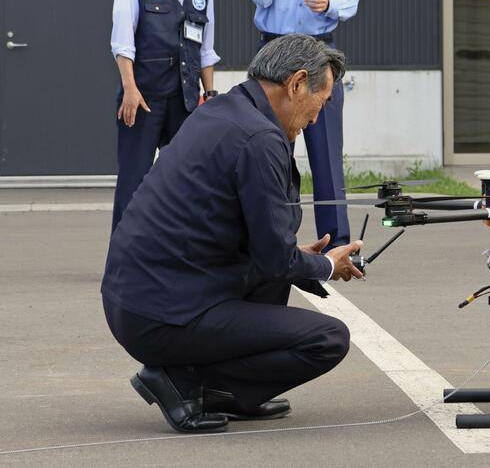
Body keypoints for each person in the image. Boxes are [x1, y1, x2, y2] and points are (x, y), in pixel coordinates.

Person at [101, 35, 363, 434]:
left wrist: (297, 257)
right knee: (328, 339)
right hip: (161, 314)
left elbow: (259, 240)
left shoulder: (225, 110)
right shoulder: (259, 137)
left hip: (139, 298)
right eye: (321, 102)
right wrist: (326, 264)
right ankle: (185, 382)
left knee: (276, 278)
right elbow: (276, 258)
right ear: (296, 84)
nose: (316, 118)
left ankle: (224, 391)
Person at [242, 0, 362, 253]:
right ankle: (278, 242)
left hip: (320, 53)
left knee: (326, 153)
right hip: (274, 56)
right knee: (272, 153)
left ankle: (337, 243)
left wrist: (331, 3)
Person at [110, 0, 220, 232]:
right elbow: (122, 41)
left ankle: (179, 252)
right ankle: (124, 253)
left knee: (186, 180)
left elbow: (206, 48)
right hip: (143, 98)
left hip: (185, 100)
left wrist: (210, 94)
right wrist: (129, 88)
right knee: (134, 178)